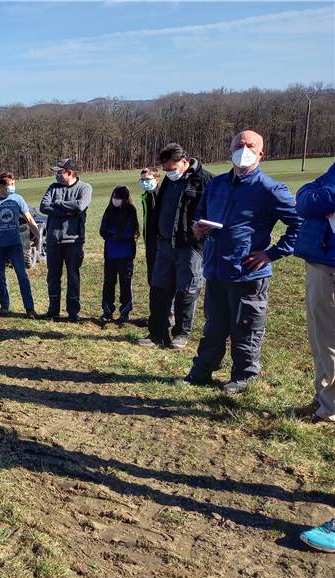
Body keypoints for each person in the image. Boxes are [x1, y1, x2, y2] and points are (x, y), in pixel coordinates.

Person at [184, 130, 303, 393]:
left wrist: (271, 253)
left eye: (251, 145)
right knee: (213, 326)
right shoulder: (217, 184)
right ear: (230, 150)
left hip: (248, 273)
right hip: (216, 268)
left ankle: (243, 376)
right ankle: (202, 371)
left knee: (246, 328)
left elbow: (299, 223)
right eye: (239, 144)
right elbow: (201, 213)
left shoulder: (270, 189)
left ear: (261, 153)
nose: (244, 148)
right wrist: (198, 229)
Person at [139, 143, 213, 349]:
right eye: (166, 170)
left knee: (186, 290)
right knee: (159, 289)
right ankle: (157, 333)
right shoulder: (170, 183)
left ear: (185, 161)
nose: (169, 173)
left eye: (172, 169)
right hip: (164, 245)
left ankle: (181, 333)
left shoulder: (205, 180)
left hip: (190, 246)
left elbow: (213, 211)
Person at [294, 161, 335, 423]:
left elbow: (309, 202)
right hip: (324, 261)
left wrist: (313, 192)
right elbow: (306, 197)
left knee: (327, 337)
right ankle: (325, 398)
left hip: (330, 265)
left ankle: (329, 407)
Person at [0, 172, 40, 317]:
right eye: (9, 184)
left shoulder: (18, 199)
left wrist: (37, 234)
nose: (12, 187)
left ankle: (30, 308)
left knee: (22, 275)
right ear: (1, 186)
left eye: (13, 184)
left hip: (15, 245)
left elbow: (29, 219)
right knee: (0, 276)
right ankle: (4, 306)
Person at [39, 158, 92, 321]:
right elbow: (43, 206)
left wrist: (57, 205)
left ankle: (73, 312)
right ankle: (53, 309)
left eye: (59, 172)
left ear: (69, 173)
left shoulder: (85, 188)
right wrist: (66, 209)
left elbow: (79, 206)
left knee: (73, 277)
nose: (56, 175)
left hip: (74, 241)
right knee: (53, 276)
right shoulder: (52, 187)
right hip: (54, 240)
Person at [99, 186, 139, 323]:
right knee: (109, 282)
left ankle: (125, 311)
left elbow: (129, 231)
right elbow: (103, 229)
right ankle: (107, 310)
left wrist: (114, 234)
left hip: (125, 254)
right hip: (110, 253)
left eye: (119, 197)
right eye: (114, 196)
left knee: (125, 283)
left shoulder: (130, 211)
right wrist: (111, 233)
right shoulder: (109, 211)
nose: (115, 200)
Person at [138, 167, 161, 288]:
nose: (144, 182)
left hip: (161, 243)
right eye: (141, 180)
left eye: (147, 179)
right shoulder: (146, 197)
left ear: (157, 179)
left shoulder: (162, 196)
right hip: (149, 243)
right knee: (151, 279)